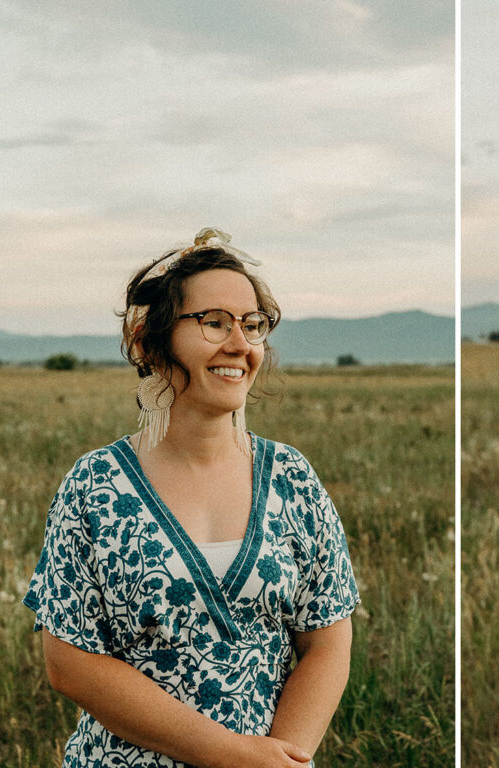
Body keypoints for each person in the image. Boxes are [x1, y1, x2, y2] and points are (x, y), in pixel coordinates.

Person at [23, 229, 359, 768]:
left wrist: (282, 761)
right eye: (214, 322)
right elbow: (71, 663)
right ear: (150, 341)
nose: (239, 344)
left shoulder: (292, 477)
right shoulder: (95, 486)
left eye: (252, 326)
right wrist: (227, 755)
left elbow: (327, 644)